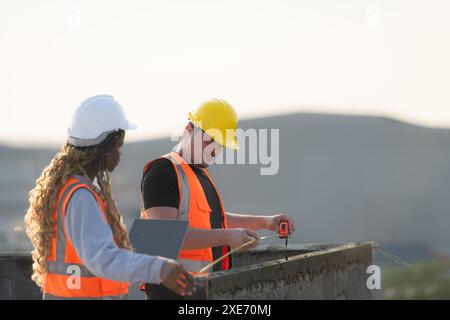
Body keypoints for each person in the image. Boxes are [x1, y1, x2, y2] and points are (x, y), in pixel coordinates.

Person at [24, 95, 195, 299]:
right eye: (118, 146)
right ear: (104, 147)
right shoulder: (80, 197)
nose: (120, 154)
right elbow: (103, 259)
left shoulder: (68, 189)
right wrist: (160, 268)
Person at [140, 98, 296, 299]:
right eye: (209, 139)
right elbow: (161, 238)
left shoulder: (197, 174)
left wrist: (265, 222)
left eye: (220, 143)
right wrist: (228, 237)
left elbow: (214, 220)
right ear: (188, 129)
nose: (214, 149)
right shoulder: (163, 170)